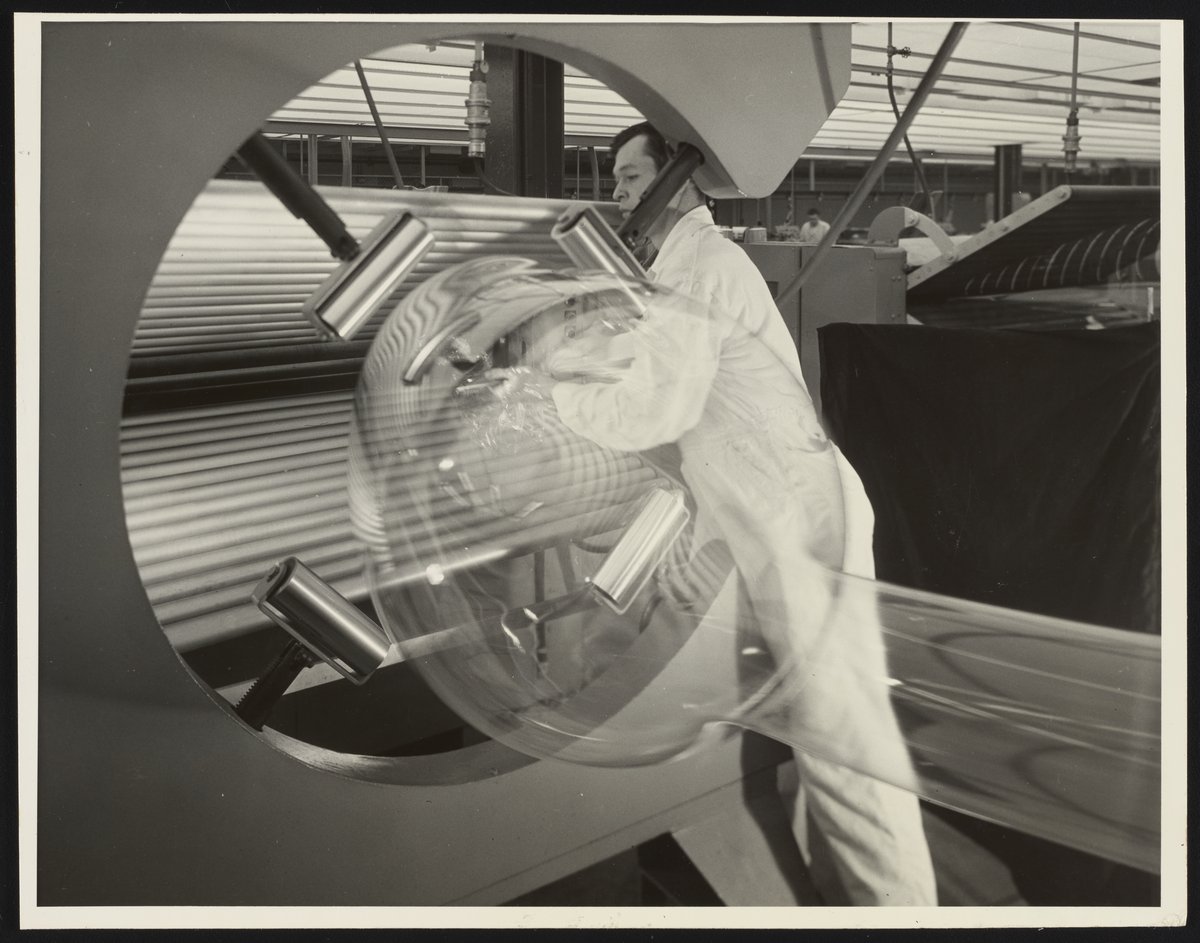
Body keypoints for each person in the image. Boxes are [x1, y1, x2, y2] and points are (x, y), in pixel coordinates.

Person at [550, 120, 936, 906]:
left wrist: (554, 386)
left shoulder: (702, 267)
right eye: (615, 179)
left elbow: (654, 409)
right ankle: (831, 892)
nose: (617, 194)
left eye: (631, 177)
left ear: (678, 180)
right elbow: (658, 378)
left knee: (845, 739)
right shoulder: (675, 271)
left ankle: (902, 913)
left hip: (800, 523)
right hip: (756, 518)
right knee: (799, 725)